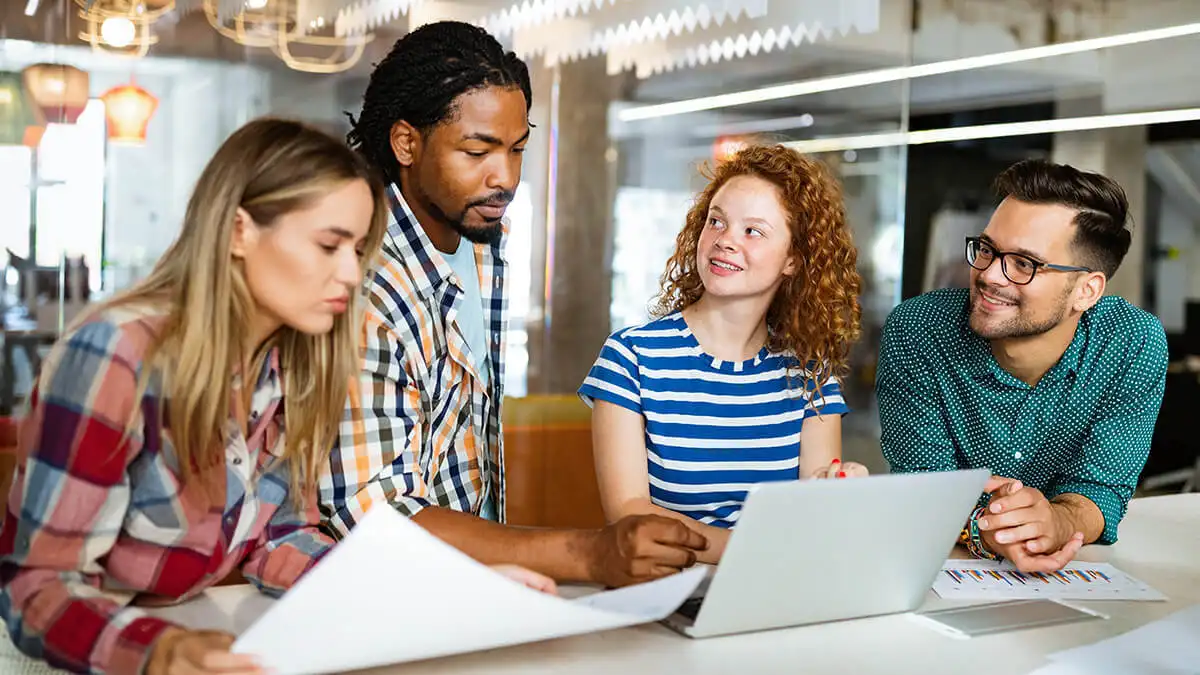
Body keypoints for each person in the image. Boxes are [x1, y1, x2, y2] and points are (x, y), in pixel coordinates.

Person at [0, 118, 549, 675]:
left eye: (357, 250)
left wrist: (434, 591)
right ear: (239, 231)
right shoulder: (115, 354)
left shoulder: (292, 363)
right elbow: (37, 589)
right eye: (328, 245)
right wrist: (160, 652)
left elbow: (282, 539)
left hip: (191, 641)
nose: (350, 274)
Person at [324, 20, 707, 587]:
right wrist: (586, 555)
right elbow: (374, 512)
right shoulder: (362, 285)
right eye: (476, 150)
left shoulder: (481, 244)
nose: (504, 177)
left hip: (463, 587)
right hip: (374, 594)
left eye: (517, 149)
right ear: (407, 143)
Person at [578, 145, 868, 563]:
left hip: (777, 589)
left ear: (792, 260)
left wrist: (839, 490)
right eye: (716, 221)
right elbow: (631, 514)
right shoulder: (631, 357)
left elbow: (813, 519)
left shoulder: (810, 375)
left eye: (753, 231)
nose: (725, 240)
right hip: (671, 591)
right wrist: (755, 550)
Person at [876, 158, 1168, 573]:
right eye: (988, 249)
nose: (990, 274)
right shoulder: (920, 329)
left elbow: (1101, 488)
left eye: (1024, 263)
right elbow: (922, 485)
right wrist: (988, 529)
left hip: (1069, 577)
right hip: (942, 574)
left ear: (1086, 291)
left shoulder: (1131, 342)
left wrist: (1059, 520)